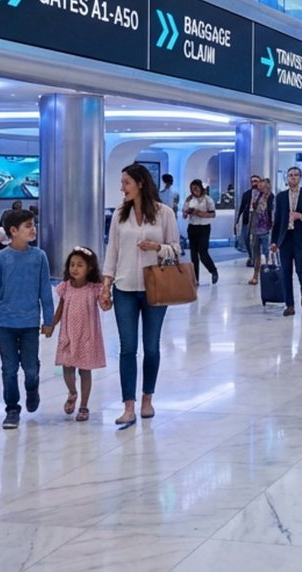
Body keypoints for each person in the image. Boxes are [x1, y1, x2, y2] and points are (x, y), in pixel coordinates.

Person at [101, 163, 178, 428]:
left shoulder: (164, 213)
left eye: (126, 183)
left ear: (141, 183)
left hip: (155, 287)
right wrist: (106, 284)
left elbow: (177, 249)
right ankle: (128, 405)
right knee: (127, 348)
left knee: (152, 348)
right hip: (124, 287)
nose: (122, 188)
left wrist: (158, 247)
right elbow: (112, 251)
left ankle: (147, 397)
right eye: (122, 183)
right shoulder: (120, 215)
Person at [0, 209, 54, 430]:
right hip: (6, 323)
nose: (33, 229)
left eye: (33, 225)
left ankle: (32, 389)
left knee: (30, 368)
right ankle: (12, 409)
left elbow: (45, 291)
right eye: (28, 226)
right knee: (9, 368)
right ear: (13, 231)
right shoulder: (1, 259)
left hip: (30, 322)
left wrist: (48, 320)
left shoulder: (39, 257)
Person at [54, 246, 106, 423]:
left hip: (87, 336)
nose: (74, 269)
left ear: (89, 268)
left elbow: (104, 305)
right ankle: (72, 392)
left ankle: (84, 405)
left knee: (85, 370)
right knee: (67, 367)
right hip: (68, 334)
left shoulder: (94, 289)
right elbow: (60, 307)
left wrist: (108, 300)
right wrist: (51, 324)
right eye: (72, 265)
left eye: (80, 265)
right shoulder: (65, 287)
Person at [271, 166, 302, 316]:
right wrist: (274, 241)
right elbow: (277, 221)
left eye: (296, 175)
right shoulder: (280, 197)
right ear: (287, 178)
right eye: (290, 175)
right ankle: (289, 304)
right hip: (285, 239)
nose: (293, 177)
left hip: (301, 238)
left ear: (300, 178)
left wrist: (301, 216)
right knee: (286, 272)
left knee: (301, 268)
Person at [183, 179, 220, 285]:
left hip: (204, 228)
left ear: (201, 188)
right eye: (192, 188)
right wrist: (187, 212)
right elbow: (184, 215)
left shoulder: (208, 199)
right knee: (193, 255)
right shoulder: (189, 199)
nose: (194, 190)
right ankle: (195, 278)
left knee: (203, 252)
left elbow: (213, 214)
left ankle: (213, 270)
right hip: (192, 227)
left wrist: (200, 213)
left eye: (196, 188)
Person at [246, 178, 273, 285]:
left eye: (262, 186)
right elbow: (253, 210)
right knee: (256, 253)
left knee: (267, 253)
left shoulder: (272, 197)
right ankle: (255, 275)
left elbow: (272, 212)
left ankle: (269, 274)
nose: (260, 187)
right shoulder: (256, 196)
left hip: (267, 229)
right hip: (256, 228)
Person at [235, 174, 260, 266]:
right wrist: (237, 220)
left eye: (256, 181)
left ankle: (255, 258)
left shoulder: (262, 194)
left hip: (258, 218)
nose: (254, 183)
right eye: (253, 181)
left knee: (255, 239)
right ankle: (250, 256)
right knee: (246, 238)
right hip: (247, 217)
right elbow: (241, 207)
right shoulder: (246, 194)